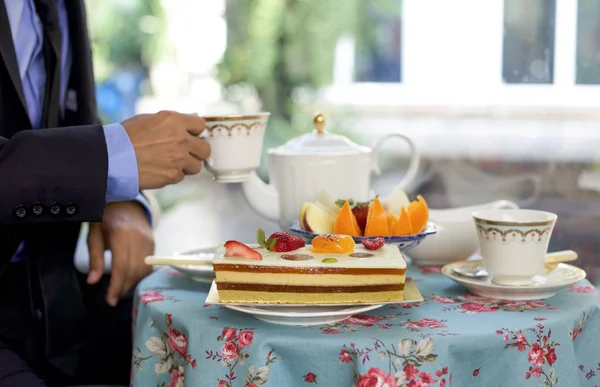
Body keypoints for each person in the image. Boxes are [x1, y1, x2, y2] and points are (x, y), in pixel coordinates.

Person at [0, 0, 211, 386]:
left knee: (202, 344)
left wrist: (120, 196)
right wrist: (109, 163)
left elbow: (69, 123)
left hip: (52, 299)